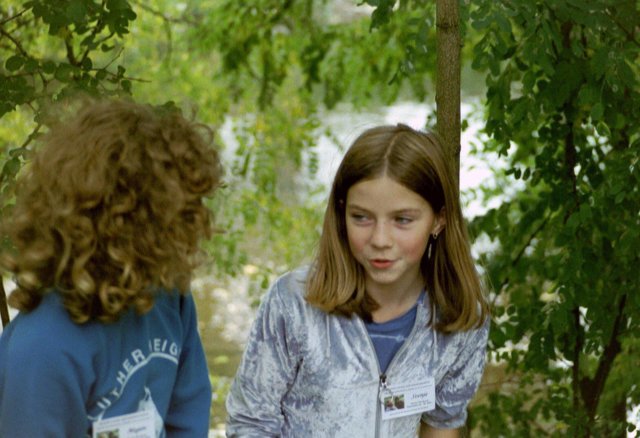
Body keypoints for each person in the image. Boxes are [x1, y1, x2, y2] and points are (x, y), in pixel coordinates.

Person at [225, 124, 490, 438]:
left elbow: (443, 423)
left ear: (439, 220)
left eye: (402, 220)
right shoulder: (295, 304)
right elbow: (251, 425)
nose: (380, 239)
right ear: (342, 213)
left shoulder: (460, 314)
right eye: (361, 217)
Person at [0, 97, 223, 437]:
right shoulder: (43, 348)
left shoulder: (169, 295)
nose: (186, 230)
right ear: (117, 220)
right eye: (172, 216)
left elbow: (188, 415)